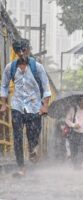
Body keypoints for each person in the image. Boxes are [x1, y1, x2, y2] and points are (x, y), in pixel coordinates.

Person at [0, 39, 51, 177]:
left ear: (28, 50)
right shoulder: (10, 68)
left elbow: (46, 87)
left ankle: (32, 149)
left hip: (35, 106)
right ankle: (21, 168)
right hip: (17, 106)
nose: (22, 53)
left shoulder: (37, 67)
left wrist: (45, 105)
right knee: (17, 137)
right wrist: (4, 103)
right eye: (18, 51)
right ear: (16, 52)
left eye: (24, 50)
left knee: (33, 135)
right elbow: (4, 85)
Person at [65, 96, 83, 170]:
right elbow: (67, 120)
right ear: (79, 101)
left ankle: (79, 164)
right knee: (74, 149)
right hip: (74, 133)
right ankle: (75, 164)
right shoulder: (73, 109)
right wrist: (73, 125)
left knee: (82, 149)